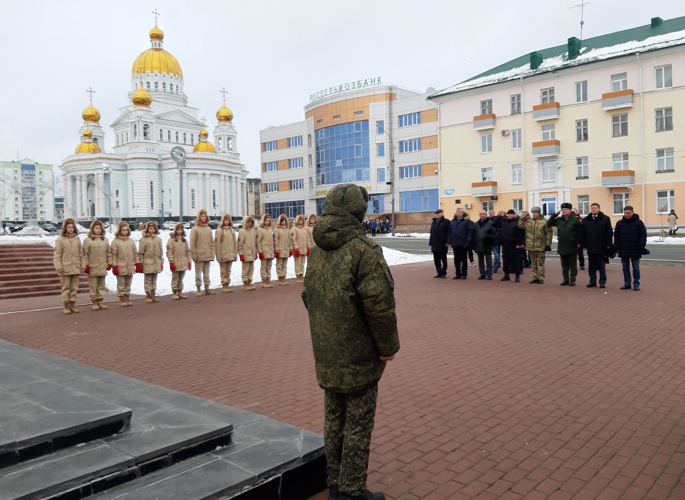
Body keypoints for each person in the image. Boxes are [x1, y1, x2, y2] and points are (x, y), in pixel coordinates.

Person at [302, 184, 399, 500]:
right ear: (360, 211)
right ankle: (351, 492)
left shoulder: (318, 250)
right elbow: (379, 305)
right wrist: (387, 348)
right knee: (357, 424)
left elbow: (309, 296)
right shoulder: (363, 250)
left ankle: (334, 486)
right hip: (358, 355)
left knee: (333, 420)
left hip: (328, 352)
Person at [54, 218, 84, 314]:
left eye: (72, 227)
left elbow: (81, 255)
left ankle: (73, 305)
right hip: (65, 268)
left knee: (74, 288)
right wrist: (59, 267)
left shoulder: (77, 240)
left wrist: (82, 266)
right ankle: (66, 306)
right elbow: (57, 255)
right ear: (65, 228)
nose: (71, 229)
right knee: (66, 288)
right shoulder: (60, 240)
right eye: (69, 227)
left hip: (75, 268)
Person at [547, 202, 581, 286]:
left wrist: (579, 242)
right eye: (562, 209)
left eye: (566, 209)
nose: (564, 211)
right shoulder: (559, 220)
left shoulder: (575, 220)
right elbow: (549, 223)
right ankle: (565, 279)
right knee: (564, 264)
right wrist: (554, 215)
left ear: (570, 210)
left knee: (572, 264)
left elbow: (580, 232)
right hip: (562, 244)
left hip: (572, 244)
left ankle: (572, 279)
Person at [580, 203, 613, 288]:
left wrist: (609, 244)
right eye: (592, 208)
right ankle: (592, 281)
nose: (593, 209)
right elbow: (582, 233)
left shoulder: (605, 219)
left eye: (595, 208)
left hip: (601, 245)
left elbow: (609, 232)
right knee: (591, 265)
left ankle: (602, 281)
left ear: (599, 209)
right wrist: (583, 244)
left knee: (601, 264)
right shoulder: (586, 220)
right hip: (590, 245)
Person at [614, 206, 647, 291]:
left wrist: (641, 247)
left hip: (635, 249)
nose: (627, 215)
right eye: (625, 213)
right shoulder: (619, 223)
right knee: (625, 267)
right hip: (623, 249)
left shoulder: (639, 223)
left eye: (628, 213)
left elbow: (643, 236)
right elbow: (616, 236)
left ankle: (636, 284)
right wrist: (616, 247)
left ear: (632, 212)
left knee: (636, 268)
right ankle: (627, 283)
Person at [518, 207, 552, 284]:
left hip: (540, 246)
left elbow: (549, 233)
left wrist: (548, 244)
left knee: (540, 263)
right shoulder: (529, 221)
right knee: (533, 263)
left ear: (539, 213)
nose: (534, 213)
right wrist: (523, 217)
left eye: (536, 212)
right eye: (533, 212)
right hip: (531, 246)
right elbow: (520, 226)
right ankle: (535, 277)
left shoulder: (544, 221)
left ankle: (541, 277)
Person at [82, 220, 111, 310]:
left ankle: (100, 301)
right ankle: (94, 302)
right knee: (93, 286)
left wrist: (109, 263)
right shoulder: (88, 240)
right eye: (96, 228)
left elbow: (108, 253)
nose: (98, 230)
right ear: (92, 229)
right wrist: (85, 265)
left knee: (101, 286)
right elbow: (85, 254)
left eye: (99, 228)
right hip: (92, 267)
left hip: (102, 267)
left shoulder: (105, 240)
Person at [111, 221, 137, 307]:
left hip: (130, 266)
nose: (125, 232)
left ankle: (127, 298)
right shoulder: (115, 242)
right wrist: (114, 266)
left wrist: (137, 263)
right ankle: (121, 299)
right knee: (121, 284)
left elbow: (135, 253)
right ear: (119, 231)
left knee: (128, 284)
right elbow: (114, 255)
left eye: (126, 230)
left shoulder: (131, 241)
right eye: (123, 230)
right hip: (120, 266)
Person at [190, 209, 216, 296]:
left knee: (206, 273)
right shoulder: (195, 229)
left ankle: (207, 288)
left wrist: (212, 252)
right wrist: (194, 255)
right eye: (202, 216)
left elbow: (212, 242)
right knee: (198, 273)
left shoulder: (208, 229)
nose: (204, 218)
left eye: (205, 216)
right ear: (199, 217)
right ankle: (198, 288)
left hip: (207, 254)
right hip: (199, 254)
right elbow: (192, 243)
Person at [137, 221, 163, 303]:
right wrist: (141, 264)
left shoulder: (158, 239)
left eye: (153, 228)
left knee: (154, 279)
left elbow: (160, 252)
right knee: (148, 280)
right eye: (150, 228)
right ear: (147, 229)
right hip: (147, 262)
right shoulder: (144, 240)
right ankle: (148, 294)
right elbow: (140, 253)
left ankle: (153, 294)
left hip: (156, 262)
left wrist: (161, 262)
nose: (152, 230)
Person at [447, 208, 473, 280]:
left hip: (463, 244)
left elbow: (470, 232)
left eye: (459, 212)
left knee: (464, 260)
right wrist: (449, 242)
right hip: (455, 243)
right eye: (457, 211)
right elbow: (449, 232)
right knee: (456, 260)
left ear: (463, 213)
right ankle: (457, 274)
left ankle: (464, 274)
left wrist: (468, 241)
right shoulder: (453, 221)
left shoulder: (467, 221)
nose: (458, 213)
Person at [499, 210, 525, 282]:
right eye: (508, 214)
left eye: (511, 214)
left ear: (514, 215)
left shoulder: (517, 222)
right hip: (505, 244)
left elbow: (521, 234)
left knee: (515, 260)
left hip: (514, 244)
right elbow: (494, 224)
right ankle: (506, 275)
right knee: (505, 260)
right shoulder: (503, 221)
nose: (509, 215)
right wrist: (500, 216)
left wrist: (520, 243)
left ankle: (517, 275)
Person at [167, 223, 191, 300]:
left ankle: (180, 291)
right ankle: (175, 292)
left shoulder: (184, 240)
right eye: (178, 230)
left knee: (181, 278)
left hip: (183, 262)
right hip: (175, 262)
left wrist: (189, 261)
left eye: (181, 230)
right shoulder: (171, 240)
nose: (180, 231)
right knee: (175, 278)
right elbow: (169, 252)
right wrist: (171, 262)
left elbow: (188, 251)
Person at [472, 210, 498, 280]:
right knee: (480, 260)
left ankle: (489, 274)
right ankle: (482, 273)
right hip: (478, 244)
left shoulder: (490, 223)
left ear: (486, 215)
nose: (482, 215)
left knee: (488, 260)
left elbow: (493, 233)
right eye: (480, 214)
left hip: (487, 245)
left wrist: (490, 240)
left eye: (483, 214)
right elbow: (473, 234)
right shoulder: (476, 224)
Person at [215, 213, 238, 293]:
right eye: (225, 220)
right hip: (223, 254)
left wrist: (235, 253)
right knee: (223, 270)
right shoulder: (219, 230)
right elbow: (217, 244)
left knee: (228, 270)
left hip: (230, 253)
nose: (227, 222)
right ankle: (224, 284)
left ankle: (228, 283)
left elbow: (234, 243)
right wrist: (218, 256)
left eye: (228, 220)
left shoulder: (232, 230)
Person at [290, 214, 311, 284]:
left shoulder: (304, 229)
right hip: (298, 249)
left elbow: (308, 238)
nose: (301, 221)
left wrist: (308, 247)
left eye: (302, 220)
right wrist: (296, 249)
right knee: (298, 263)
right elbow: (293, 239)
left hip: (304, 249)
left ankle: (302, 274)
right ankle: (298, 275)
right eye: (299, 220)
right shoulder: (294, 229)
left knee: (302, 263)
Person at [237, 215, 257, 291]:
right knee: (245, 269)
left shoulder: (253, 231)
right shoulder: (242, 232)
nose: (250, 223)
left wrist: (255, 252)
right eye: (248, 222)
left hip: (251, 254)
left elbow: (254, 243)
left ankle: (249, 282)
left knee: (251, 269)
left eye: (251, 222)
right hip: (245, 254)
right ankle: (245, 283)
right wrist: (241, 254)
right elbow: (240, 245)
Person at [429, 209, 450, 278]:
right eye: (436, 213)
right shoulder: (434, 222)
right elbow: (431, 233)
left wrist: (448, 242)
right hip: (435, 243)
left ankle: (444, 272)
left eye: (438, 213)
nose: (437, 215)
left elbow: (448, 233)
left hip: (443, 243)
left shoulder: (446, 222)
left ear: (442, 214)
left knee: (443, 259)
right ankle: (439, 272)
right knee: (436, 259)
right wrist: (430, 242)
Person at [256, 214, 275, 288]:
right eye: (266, 220)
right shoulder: (260, 230)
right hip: (264, 251)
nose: (267, 222)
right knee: (264, 266)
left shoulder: (270, 229)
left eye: (268, 220)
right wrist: (260, 252)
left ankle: (268, 279)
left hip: (270, 251)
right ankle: (264, 280)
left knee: (269, 266)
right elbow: (258, 242)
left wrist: (273, 251)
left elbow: (272, 242)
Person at [273, 214, 292, 286]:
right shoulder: (277, 229)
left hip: (286, 249)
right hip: (280, 250)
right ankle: (280, 278)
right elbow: (276, 240)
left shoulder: (287, 229)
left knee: (284, 265)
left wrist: (290, 249)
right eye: (282, 220)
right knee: (279, 265)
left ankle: (284, 277)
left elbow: (289, 240)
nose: (284, 222)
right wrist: (277, 250)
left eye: (285, 220)